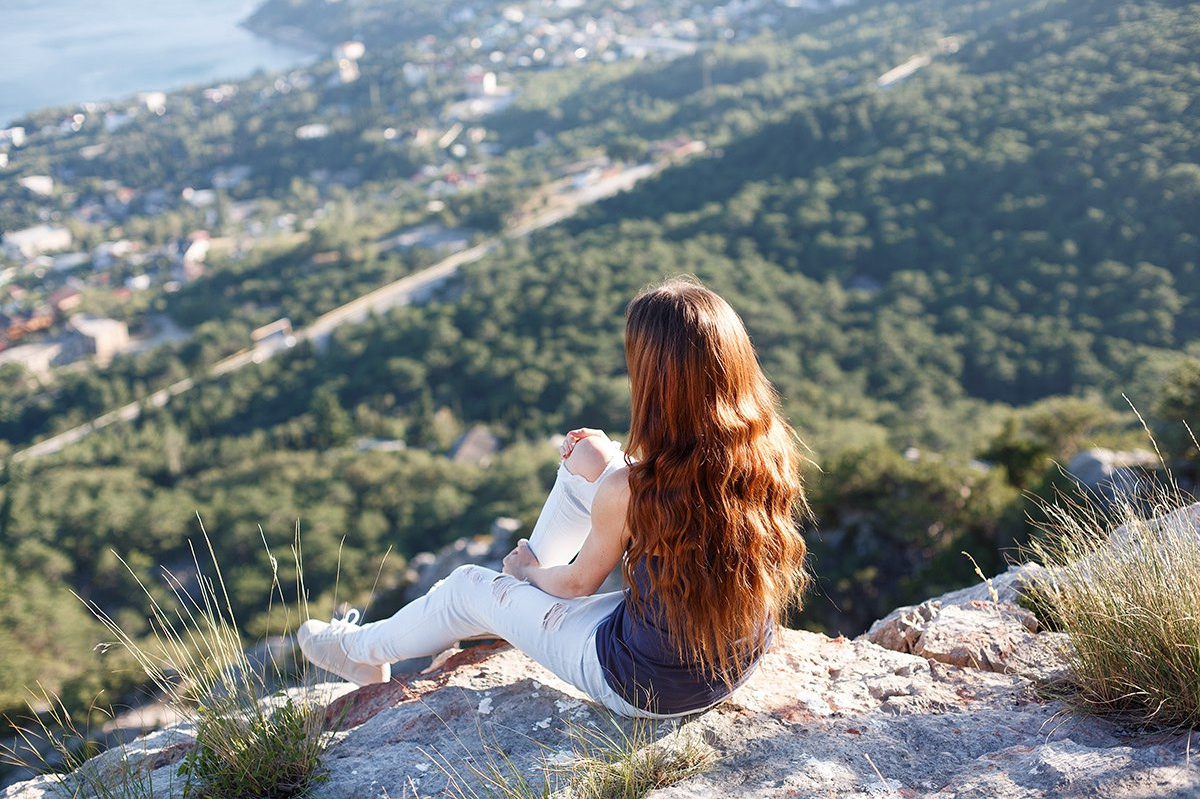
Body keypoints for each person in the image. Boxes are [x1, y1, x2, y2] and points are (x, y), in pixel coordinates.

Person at [298, 277, 811, 717]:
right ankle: (511, 613)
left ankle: (358, 650)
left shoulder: (629, 490)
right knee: (588, 457)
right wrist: (602, 460)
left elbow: (576, 585)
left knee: (464, 587)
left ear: (656, 382)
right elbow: (664, 495)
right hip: (728, 662)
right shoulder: (765, 453)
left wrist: (525, 574)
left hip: (644, 684)